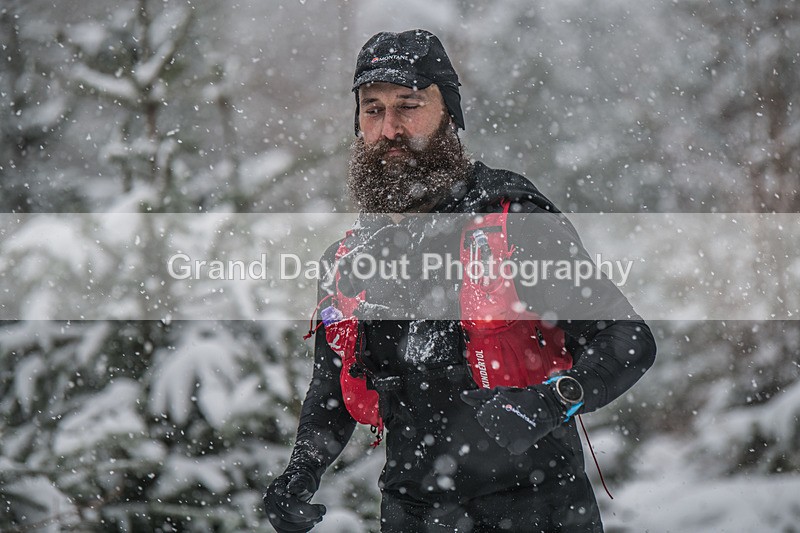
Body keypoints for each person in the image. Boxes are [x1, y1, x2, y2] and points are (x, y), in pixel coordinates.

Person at [263, 29, 656, 532]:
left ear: (449, 112)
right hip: (411, 515)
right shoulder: (349, 261)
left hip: (539, 509)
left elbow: (627, 338)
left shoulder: (513, 224)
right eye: (372, 110)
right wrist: (301, 471)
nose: (389, 128)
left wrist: (550, 401)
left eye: (408, 106)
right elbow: (331, 391)